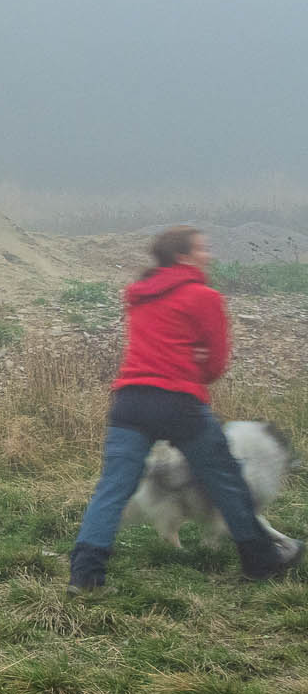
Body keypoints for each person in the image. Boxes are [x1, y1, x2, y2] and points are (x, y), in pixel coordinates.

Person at [68, 225, 303, 592]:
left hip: (130, 400)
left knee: (113, 488)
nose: (208, 254)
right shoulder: (203, 296)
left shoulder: (139, 295)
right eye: (203, 248)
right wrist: (195, 369)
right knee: (226, 481)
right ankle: (261, 561)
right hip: (178, 401)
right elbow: (216, 363)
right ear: (183, 256)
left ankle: (85, 576)